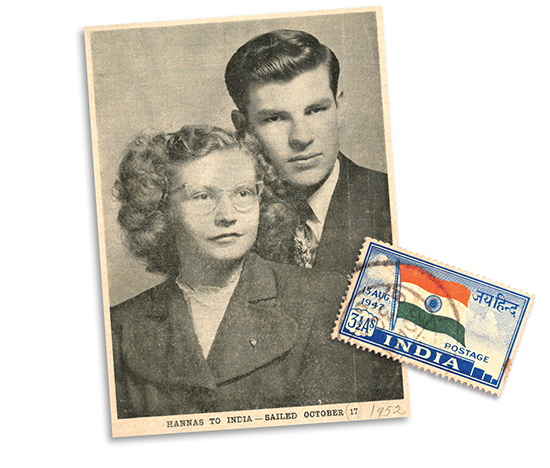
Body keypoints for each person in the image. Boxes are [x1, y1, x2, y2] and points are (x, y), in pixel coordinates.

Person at [111, 125, 403, 418]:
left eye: (243, 193)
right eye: (202, 196)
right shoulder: (120, 327)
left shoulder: (329, 299)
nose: (227, 215)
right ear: (161, 208)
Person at [225, 29, 393, 275]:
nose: (302, 138)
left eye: (315, 110)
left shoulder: (392, 203)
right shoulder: (230, 219)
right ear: (242, 128)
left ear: (339, 108)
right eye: (275, 118)